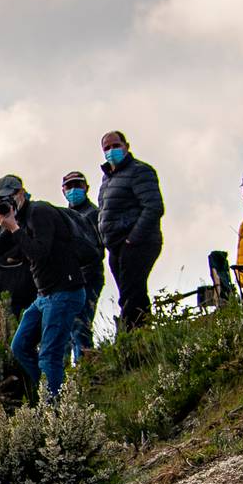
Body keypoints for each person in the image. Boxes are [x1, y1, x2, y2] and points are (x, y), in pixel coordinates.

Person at [0, 175, 87, 400]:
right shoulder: (16, 219)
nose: (6, 203)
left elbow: (38, 254)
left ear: (21, 193)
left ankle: (57, 406)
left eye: (9, 197)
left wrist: (13, 228)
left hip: (64, 291)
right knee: (20, 346)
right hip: (45, 296)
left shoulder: (39, 212)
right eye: (0, 199)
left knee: (49, 355)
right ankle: (50, 391)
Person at [96, 132, 163, 334]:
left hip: (138, 243)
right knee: (131, 292)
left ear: (126, 145)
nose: (111, 151)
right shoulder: (107, 180)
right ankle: (141, 334)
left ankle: (130, 335)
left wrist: (132, 238)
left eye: (115, 145)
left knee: (131, 293)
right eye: (106, 148)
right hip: (116, 246)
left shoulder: (139, 171)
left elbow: (153, 207)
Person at [61, 171, 105, 358]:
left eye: (77, 185)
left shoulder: (93, 214)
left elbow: (99, 248)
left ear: (86, 187)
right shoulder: (63, 216)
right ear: (63, 190)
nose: (73, 190)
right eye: (69, 186)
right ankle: (72, 378)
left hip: (90, 276)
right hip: (69, 280)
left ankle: (86, 368)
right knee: (67, 327)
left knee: (81, 324)